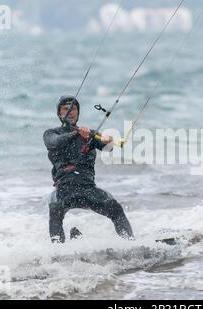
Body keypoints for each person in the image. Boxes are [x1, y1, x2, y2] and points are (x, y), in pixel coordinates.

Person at [43, 95, 134, 243]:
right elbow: (55, 142)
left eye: (74, 109)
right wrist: (76, 133)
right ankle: (58, 251)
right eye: (66, 109)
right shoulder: (51, 134)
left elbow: (108, 148)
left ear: (78, 113)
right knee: (55, 207)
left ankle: (131, 243)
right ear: (59, 113)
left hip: (88, 188)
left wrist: (108, 141)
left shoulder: (89, 134)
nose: (70, 112)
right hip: (64, 189)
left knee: (115, 208)